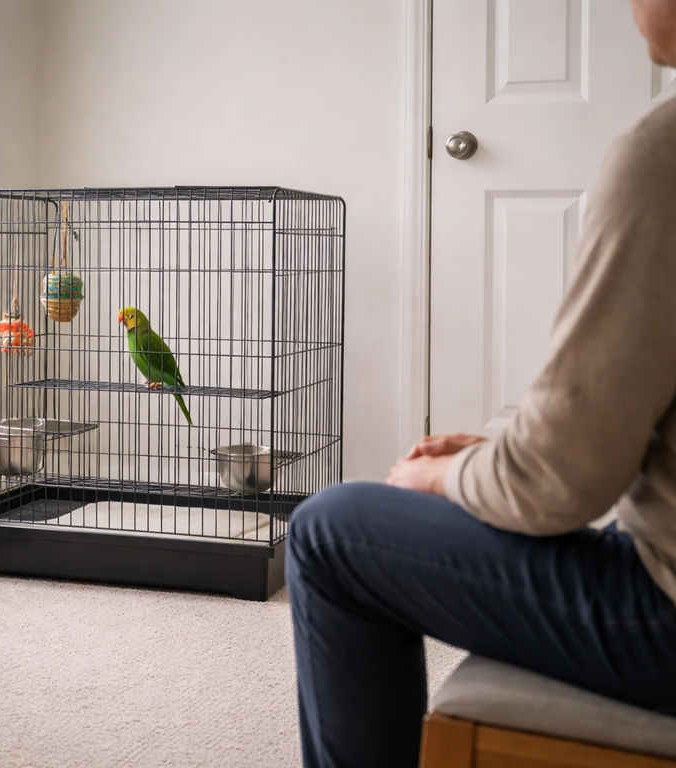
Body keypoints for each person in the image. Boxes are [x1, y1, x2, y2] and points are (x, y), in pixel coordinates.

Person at [285, 1, 676, 765]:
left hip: (662, 620)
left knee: (330, 530)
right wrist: (503, 455)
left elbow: (559, 487)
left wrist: (442, 476)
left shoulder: (662, 154)